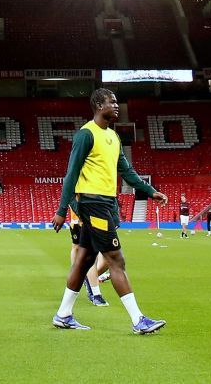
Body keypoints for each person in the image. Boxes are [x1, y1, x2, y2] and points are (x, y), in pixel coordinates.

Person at [49, 89, 163, 333]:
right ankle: (138, 320)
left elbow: (127, 171)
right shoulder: (86, 135)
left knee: (84, 260)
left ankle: (63, 314)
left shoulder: (113, 136)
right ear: (99, 105)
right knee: (116, 260)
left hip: (106, 204)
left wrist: (150, 190)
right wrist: (61, 209)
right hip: (93, 204)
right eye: (112, 102)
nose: (117, 105)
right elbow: (71, 174)